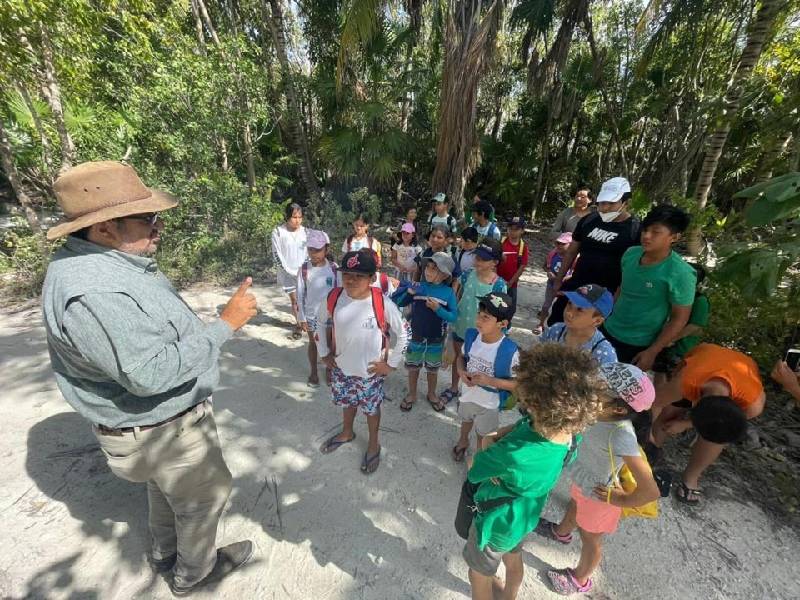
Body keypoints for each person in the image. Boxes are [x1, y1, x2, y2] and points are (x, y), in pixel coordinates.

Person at [41, 161, 256, 595]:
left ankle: (164, 553)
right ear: (104, 228)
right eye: (148, 218)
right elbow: (150, 373)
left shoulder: (103, 264)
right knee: (204, 499)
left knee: (165, 490)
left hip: (154, 435)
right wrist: (225, 325)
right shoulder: (96, 292)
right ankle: (193, 574)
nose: (159, 227)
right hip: (162, 429)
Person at [462, 344, 606, 600]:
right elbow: (520, 429)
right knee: (513, 559)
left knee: (478, 575)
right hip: (524, 517)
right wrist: (495, 445)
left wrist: (488, 441)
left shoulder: (514, 453)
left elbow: (474, 467)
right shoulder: (569, 435)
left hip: (495, 522)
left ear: (535, 401)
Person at [539, 363, 659, 596]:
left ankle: (580, 579)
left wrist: (618, 499)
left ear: (619, 409)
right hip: (584, 479)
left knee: (590, 538)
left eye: (597, 390)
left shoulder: (621, 435)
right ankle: (561, 532)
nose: (588, 391)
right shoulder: (596, 412)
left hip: (600, 497)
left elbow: (650, 491)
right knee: (575, 504)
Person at [316, 250, 408, 474]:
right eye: (347, 274)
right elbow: (318, 323)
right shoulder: (334, 298)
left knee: (371, 409)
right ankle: (347, 432)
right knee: (347, 402)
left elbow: (405, 333)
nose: (351, 280)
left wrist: (391, 364)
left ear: (372, 278)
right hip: (341, 368)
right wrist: (324, 352)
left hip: (370, 373)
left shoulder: (382, 303)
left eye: (359, 276)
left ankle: (374, 443)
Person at [645, 343, 765, 504]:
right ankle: (647, 457)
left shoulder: (752, 404)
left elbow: (719, 421)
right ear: (694, 403)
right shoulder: (685, 383)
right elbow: (651, 403)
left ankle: (691, 478)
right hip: (704, 356)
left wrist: (685, 424)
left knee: (718, 435)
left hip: (741, 370)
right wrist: (647, 435)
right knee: (668, 415)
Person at [601, 205, 696, 369]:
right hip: (608, 329)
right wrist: (604, 316)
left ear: (674, 237)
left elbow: (679, 318)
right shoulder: (630, 254)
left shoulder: (681, 273)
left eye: (656, 232)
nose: (646, 236)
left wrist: (653, 351)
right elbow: (622, 289)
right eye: (645, 230)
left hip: (638, 343)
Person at [549, 177, 640, 326]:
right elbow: (572, 251)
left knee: (588, 332)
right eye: (602, 202)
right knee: (557, 323)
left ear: (626, 203)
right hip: (576, 287)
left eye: (611, 203)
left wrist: (616, 300)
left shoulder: (634, 230)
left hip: (604, 297)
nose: (605, 208)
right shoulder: (589, 220)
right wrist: (559, 279)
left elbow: (632, 270)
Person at [452, 292, 519, 463]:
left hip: (489, 403)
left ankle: (478, 456)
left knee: (484, 433)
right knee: (466, 419)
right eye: (479, 314)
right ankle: (463, 440)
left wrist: (489, 381)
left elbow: (517, 384)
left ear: (502, 324)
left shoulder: (510, 351)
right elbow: (461, 358)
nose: (479, 320)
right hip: (467, 394)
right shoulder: (472, 337)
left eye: (486, 317)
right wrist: (461, 371)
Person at [440, 239, 507, 408]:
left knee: (477, 362)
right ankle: (454, 387)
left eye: (483, 259)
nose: (478, 261)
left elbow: (500, 313)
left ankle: (469, 394)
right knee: (459, 357)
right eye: (477, 257)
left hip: (482, 333)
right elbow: (457, 290)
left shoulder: (499, 285)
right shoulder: (468, 273)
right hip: (461, 324)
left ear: (495, 262)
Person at [392, 253, 458, 412]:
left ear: (444, 275)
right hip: (416, 335)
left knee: (432, 369)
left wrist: (438, 309)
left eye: (434, 269)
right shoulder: (418, 287)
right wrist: (409, 293)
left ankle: (431, 394)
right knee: (413, 367)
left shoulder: (448, 292)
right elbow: (399, 302)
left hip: (436, 338)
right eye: (427, 267)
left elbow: (453, 316)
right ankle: (412, 394)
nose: (428, 271)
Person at [652, 263, 710, 378]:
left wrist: (670, 339)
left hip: (678, 349)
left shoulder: (700, 300)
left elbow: (694, 326)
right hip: (661, 342)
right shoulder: (674, 293)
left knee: (663, 379)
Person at [296, 229, 338, 386]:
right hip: (312, 315)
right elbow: (300, 295)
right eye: (310, 249)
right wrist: (301, 317)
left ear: (326, 249)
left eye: (318, 250)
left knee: (330, 343)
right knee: (313, 343)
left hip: (330, 315)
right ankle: (313, 371)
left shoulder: (334, 268)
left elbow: (340, 291)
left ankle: (329, 369)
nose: (313, 253)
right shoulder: (304, 270)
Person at [540, 284, 618, 365]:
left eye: (580, 310)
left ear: (597, 321)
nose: (569, 312)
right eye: (570, 303)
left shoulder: (604, 355)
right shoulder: (555, 331)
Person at [271, 202, 308, 340]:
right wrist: (288, 270)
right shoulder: (278, 232)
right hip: (287, 273)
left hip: (304, 271)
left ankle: (306, 321)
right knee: (295, 299)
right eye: (294, 217)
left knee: (305, 298)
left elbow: (309, 252)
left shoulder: (306, 232)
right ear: (287, 217)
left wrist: (305, 268)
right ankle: (298, 324)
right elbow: (277, 254)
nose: (297, 220)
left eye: (300, 217)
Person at [534, 232, 573, 335]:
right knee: (546, 305)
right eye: (558, 243)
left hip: (565, 288)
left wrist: (563, 278)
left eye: (563, 244)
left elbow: (575, 273)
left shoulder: (574, 258)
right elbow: (545, 266)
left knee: (564, 308)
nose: (559, 245)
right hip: (551, 284)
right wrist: (548, 271)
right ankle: (541, 324)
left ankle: (564, 328)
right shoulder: (553, 254)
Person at [496, 217, 529, 324]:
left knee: (510, 308)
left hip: (511, 284)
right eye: (510, 228)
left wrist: (511, 282)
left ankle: (505, 326)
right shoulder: (501, 242)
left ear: (522, 231)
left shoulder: (523, 247)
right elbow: (493, 259)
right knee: (495, 304)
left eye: (516, 229)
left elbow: (522, 266)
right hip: (496, 280)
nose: (512, 231)